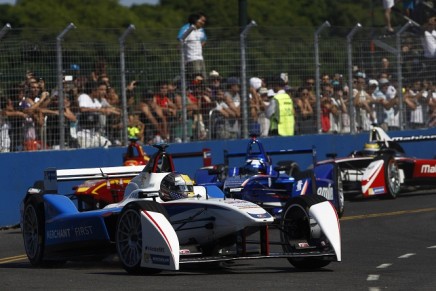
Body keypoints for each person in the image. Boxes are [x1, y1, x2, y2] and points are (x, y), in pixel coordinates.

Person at [177, 12, 207, 80]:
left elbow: (204, 40)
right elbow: (181, 41)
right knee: (197, 79)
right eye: (201, 20)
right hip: (192, 59)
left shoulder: (198, 31)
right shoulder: (188, 30)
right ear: (195, 20)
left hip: (200, 58)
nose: (203, 23)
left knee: (203, 79)